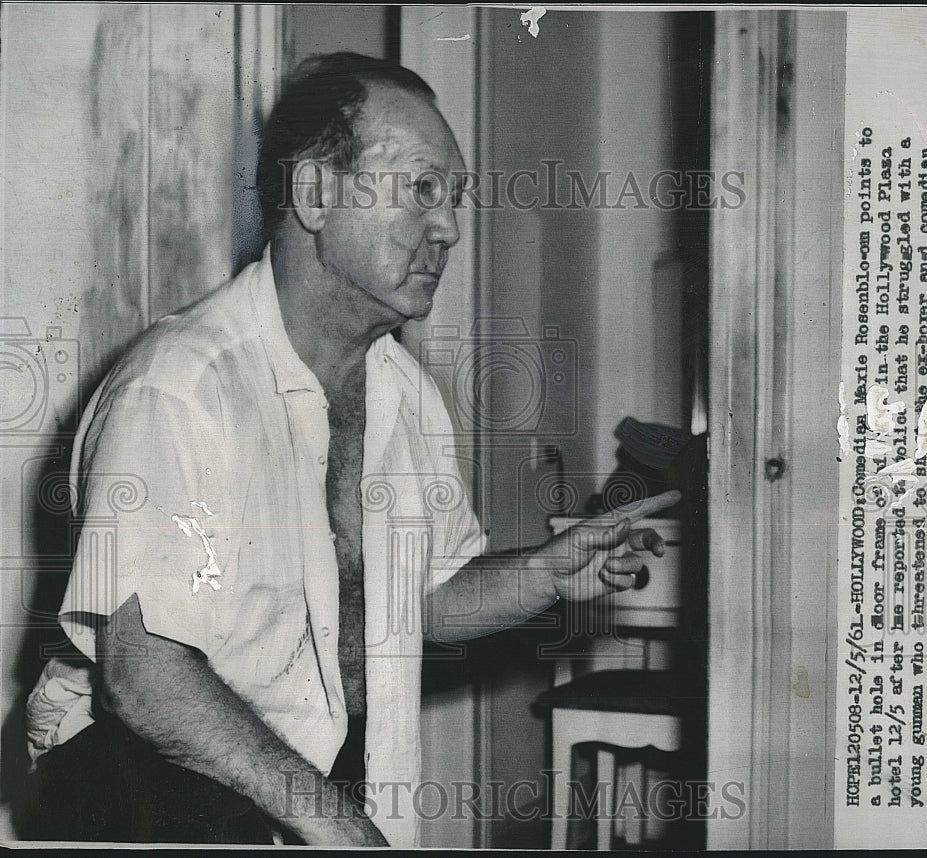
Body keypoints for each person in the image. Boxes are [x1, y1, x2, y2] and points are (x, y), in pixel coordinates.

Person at [21, 52, 677, 847]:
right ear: (314, 194)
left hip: (306, 788)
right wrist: (337, 823)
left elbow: (425, 596)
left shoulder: (405, 393)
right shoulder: (181, 389)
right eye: (421, 189)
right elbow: (146, 675)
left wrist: (543, 570)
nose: (450, 228)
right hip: (154, 790)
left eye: (455, 197)